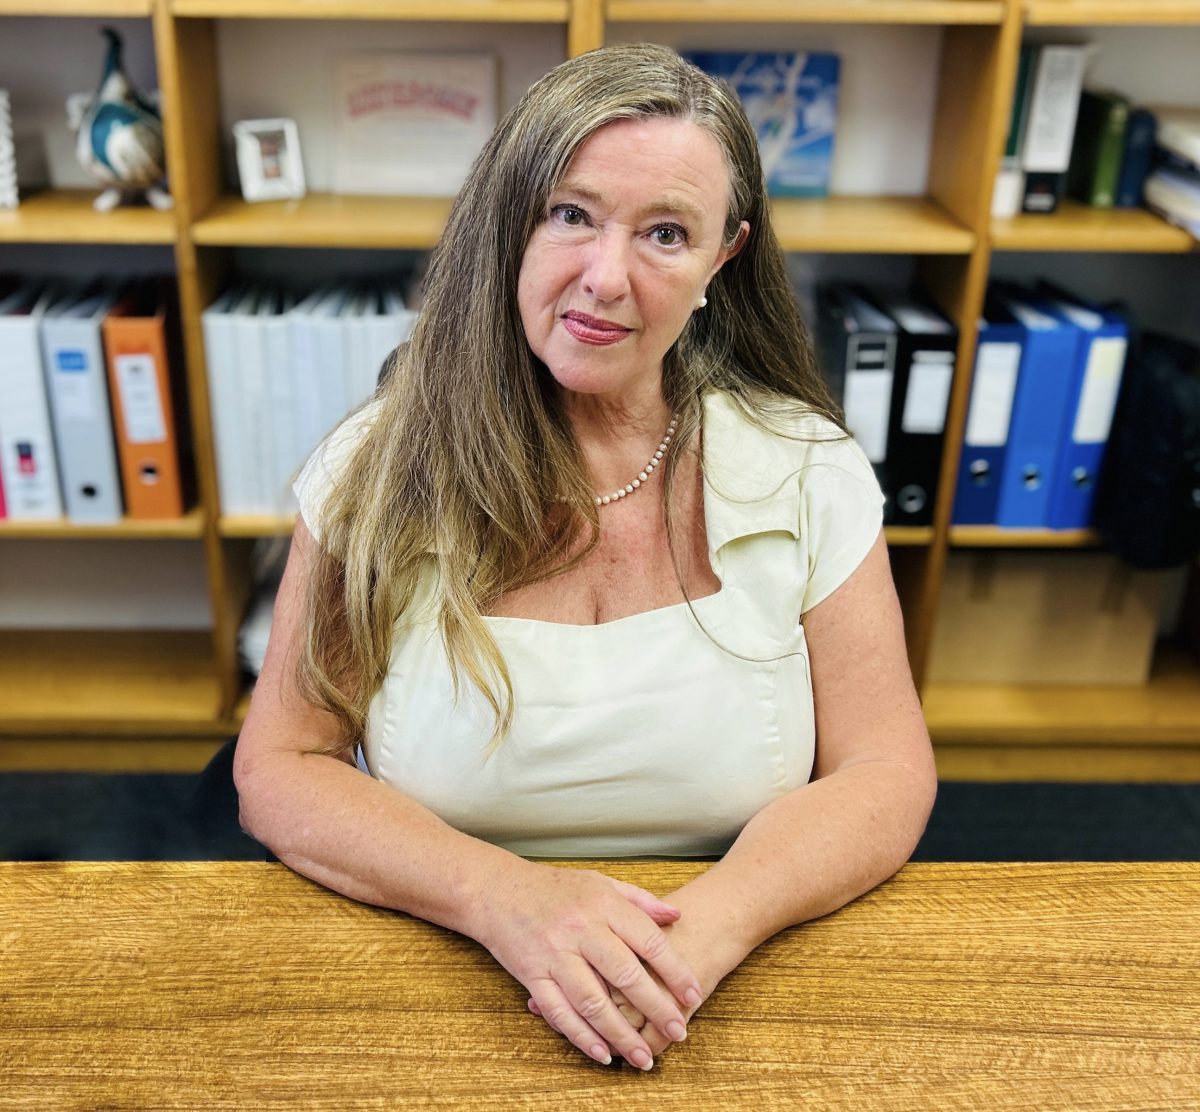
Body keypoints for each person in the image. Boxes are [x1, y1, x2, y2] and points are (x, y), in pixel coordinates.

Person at [233, 42, 937, 1072]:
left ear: (723, 259)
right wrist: (504, 897)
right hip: (441, 966)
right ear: (509, 222)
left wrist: (702, 936)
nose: (606, 278)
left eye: (666, 233)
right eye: (571, 214)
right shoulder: (374, 470)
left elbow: (885, 769)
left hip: (733, 982)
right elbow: (280, 768)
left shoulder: (808, 468)